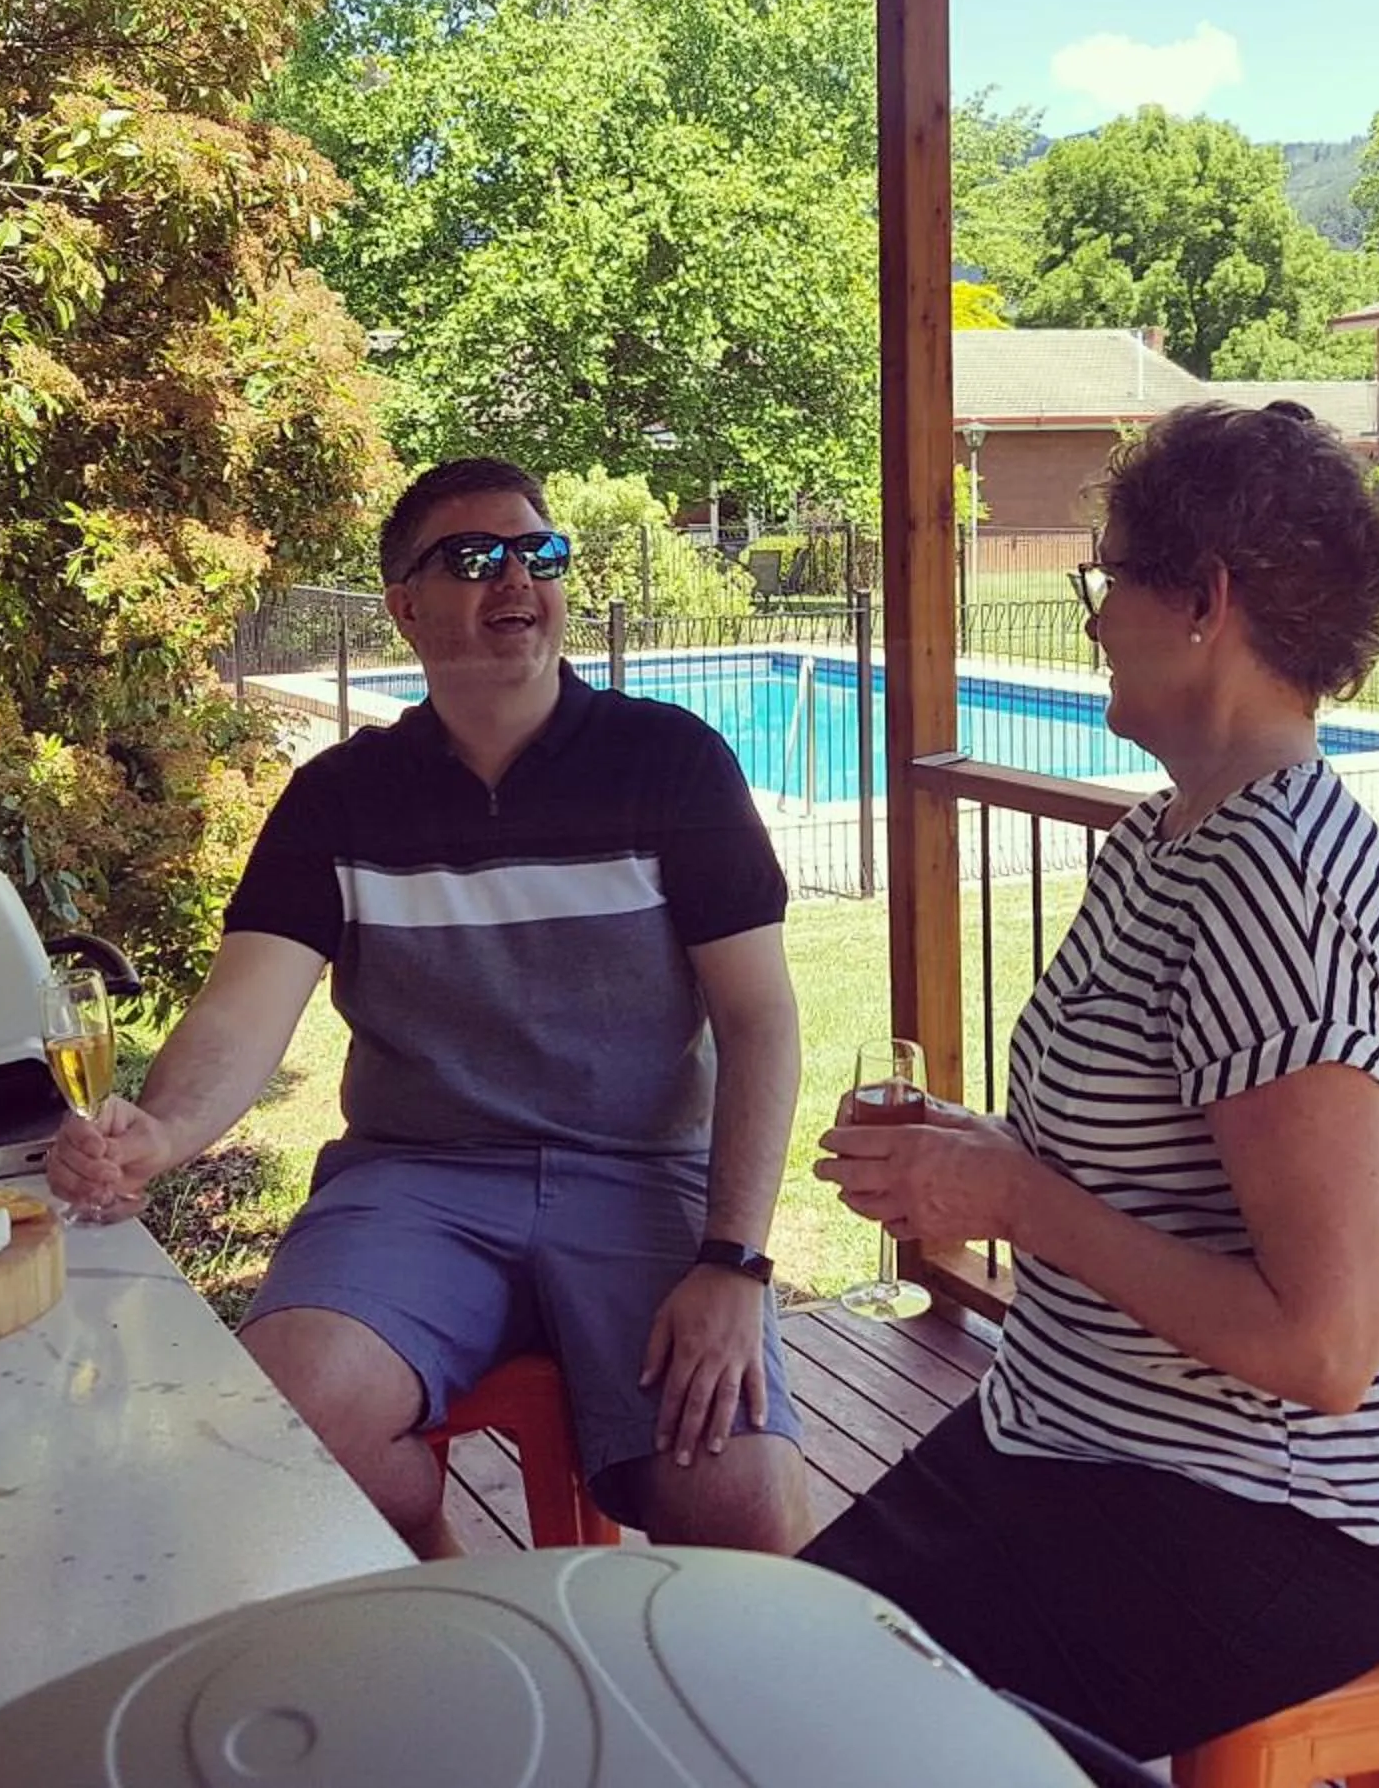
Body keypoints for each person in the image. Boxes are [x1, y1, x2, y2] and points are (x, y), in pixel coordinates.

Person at [805, 401, 1379, 1761]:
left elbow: (1324, 1348)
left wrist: (1014, 1197)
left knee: (803, 1717)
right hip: (1071, 1442)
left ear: (1204, 601)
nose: (1093, 618)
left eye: (1106, 581)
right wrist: (973, 1151)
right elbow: (1129, 1160)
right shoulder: (1166, 837)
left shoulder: (1277, 891)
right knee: (761, 1646)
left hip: (1263, 1523)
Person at [51, 456, 810, 1558]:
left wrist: (734, 1262)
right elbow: (241, 1012)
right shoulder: (340, 800)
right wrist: (160, 1132)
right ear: (405, 607)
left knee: (744, 1506)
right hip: (418, 1185)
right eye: (473, 557)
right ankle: (456, 1590)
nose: (517, 578)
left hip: (641, 1176)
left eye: (539, 553)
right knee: (282, 1428)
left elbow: (761, 1023)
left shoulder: (669, 764)